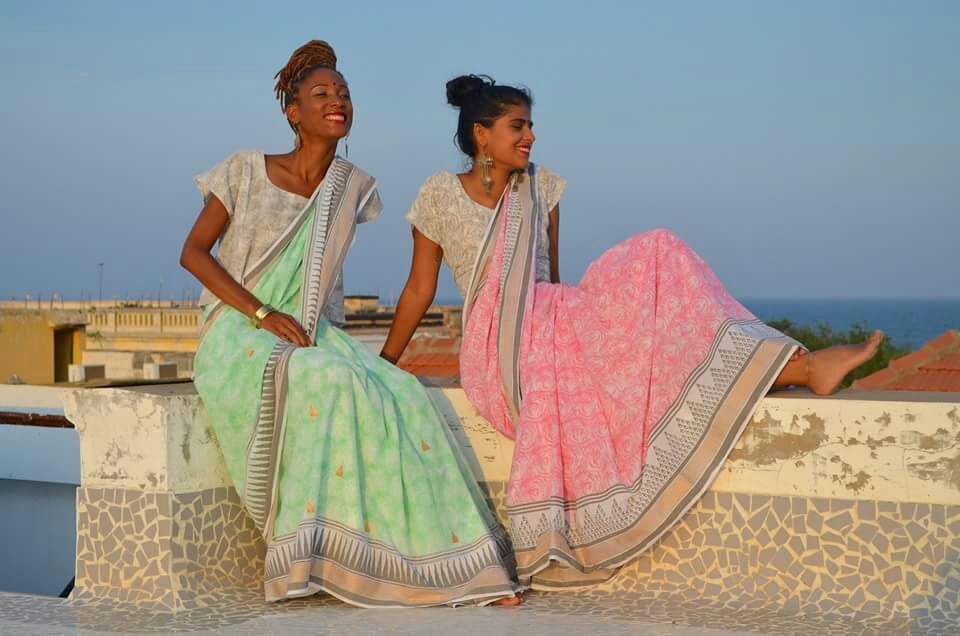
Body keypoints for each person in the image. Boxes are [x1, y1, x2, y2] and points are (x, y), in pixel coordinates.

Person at [380, 74, 883, 589]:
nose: (529, 136)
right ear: (482, 135)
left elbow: (549, 277)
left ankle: (796, 365)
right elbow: (420, 288)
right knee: (606, 337)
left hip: (548, 315)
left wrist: (575, 328)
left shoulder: (541, 187)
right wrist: (386, 363)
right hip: (494, 346)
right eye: (517, 126)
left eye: (531, 125)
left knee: (657, 252)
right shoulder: (439, 194)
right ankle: (799, 367)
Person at [180, 47, 520, 607]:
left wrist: (362, 352)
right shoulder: (244, 170)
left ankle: (452, 566)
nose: (336, 102)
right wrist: (262, 313)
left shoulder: (352, 186)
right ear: (293, 112)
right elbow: (193, 253)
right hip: (238, 331)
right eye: (321, 95)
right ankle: (310, 554)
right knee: (327, 379)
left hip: (311, 329)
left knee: (404, 393)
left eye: (343, 94)